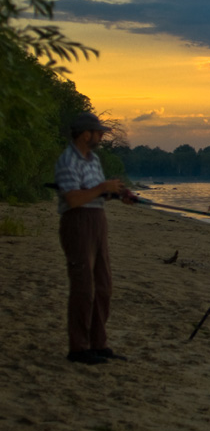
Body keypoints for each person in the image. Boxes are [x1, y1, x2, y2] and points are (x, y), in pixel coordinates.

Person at [55, 112, 133, 365]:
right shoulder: (68, 160)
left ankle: (99, 343)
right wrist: (103, 188)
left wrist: (119, 193)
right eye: (98, 132)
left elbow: (97, 192)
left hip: (98, 221)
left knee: (103, 287)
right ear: (85, 134)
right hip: (77, 224)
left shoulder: (94, 159)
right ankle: (78, 348)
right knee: (83, 287)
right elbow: (73, 198)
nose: (101, 136)